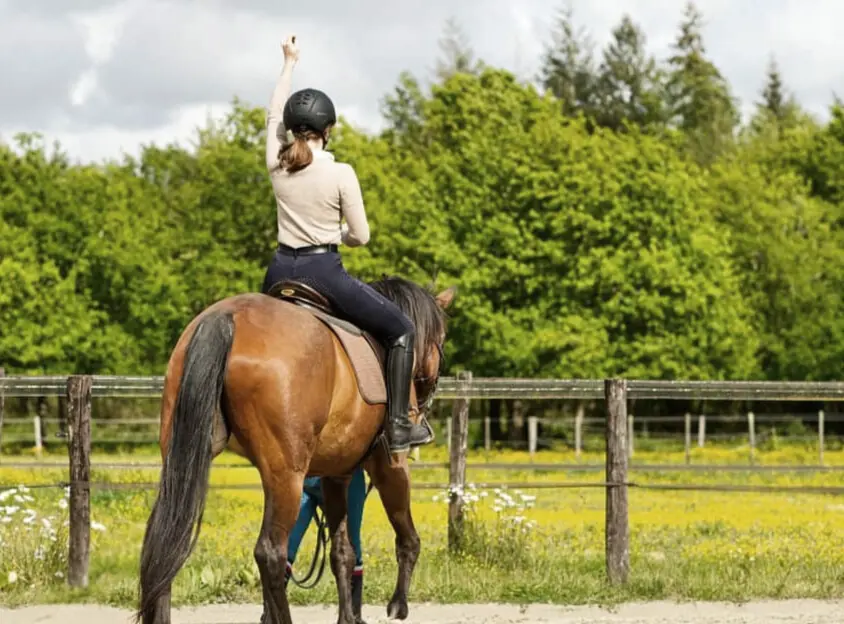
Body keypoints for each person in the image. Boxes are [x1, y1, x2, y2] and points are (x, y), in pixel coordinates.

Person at [261, 35, 432, 453]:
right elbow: (361, 236)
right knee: (403, 330)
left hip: (278, 272)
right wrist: (334, 233)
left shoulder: (276, 163)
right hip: (323, 272)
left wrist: (288, 64)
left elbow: (272, 115)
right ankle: (398, 425)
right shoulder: (342, 173)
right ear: (329, 131)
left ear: (291, 128)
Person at [285, 468, 368, 613]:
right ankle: (354, 613)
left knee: (287, 545)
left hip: (308, 478)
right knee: (352, 544)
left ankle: (272, 612)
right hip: (346, 478)